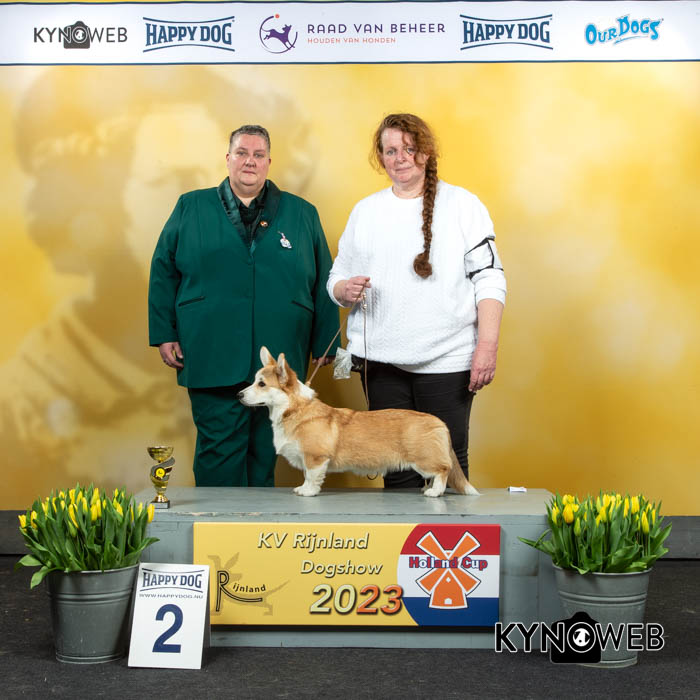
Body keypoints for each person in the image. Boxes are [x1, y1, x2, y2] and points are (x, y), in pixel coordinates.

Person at [149, 125, 340, 488]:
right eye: (241, 153)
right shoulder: (191, 206)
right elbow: (163, 270)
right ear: (228, 159)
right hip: (210, 349)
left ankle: (257, 523)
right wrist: (164, 333)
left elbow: (323, 277)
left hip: (281, 357)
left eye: (257, 155)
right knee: (217, 453)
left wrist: (326, 340)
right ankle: (216, 520)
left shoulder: (303, 213)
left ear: (268, 162)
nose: (249, 161)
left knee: (266, 451)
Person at [327, 113, 506, 489]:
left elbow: (489, 278)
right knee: (397, 471)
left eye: (409, 149)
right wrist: (343, 289)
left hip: (448, 361)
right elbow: (337, 276)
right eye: (391, 150)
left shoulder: (463, 205)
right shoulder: (365, 211)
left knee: (446, 466)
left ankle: (451, 532)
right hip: (380, 365)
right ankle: (404, 532)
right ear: (381, 157)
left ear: (426, 152)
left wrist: (487, 346)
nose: (400, 158)